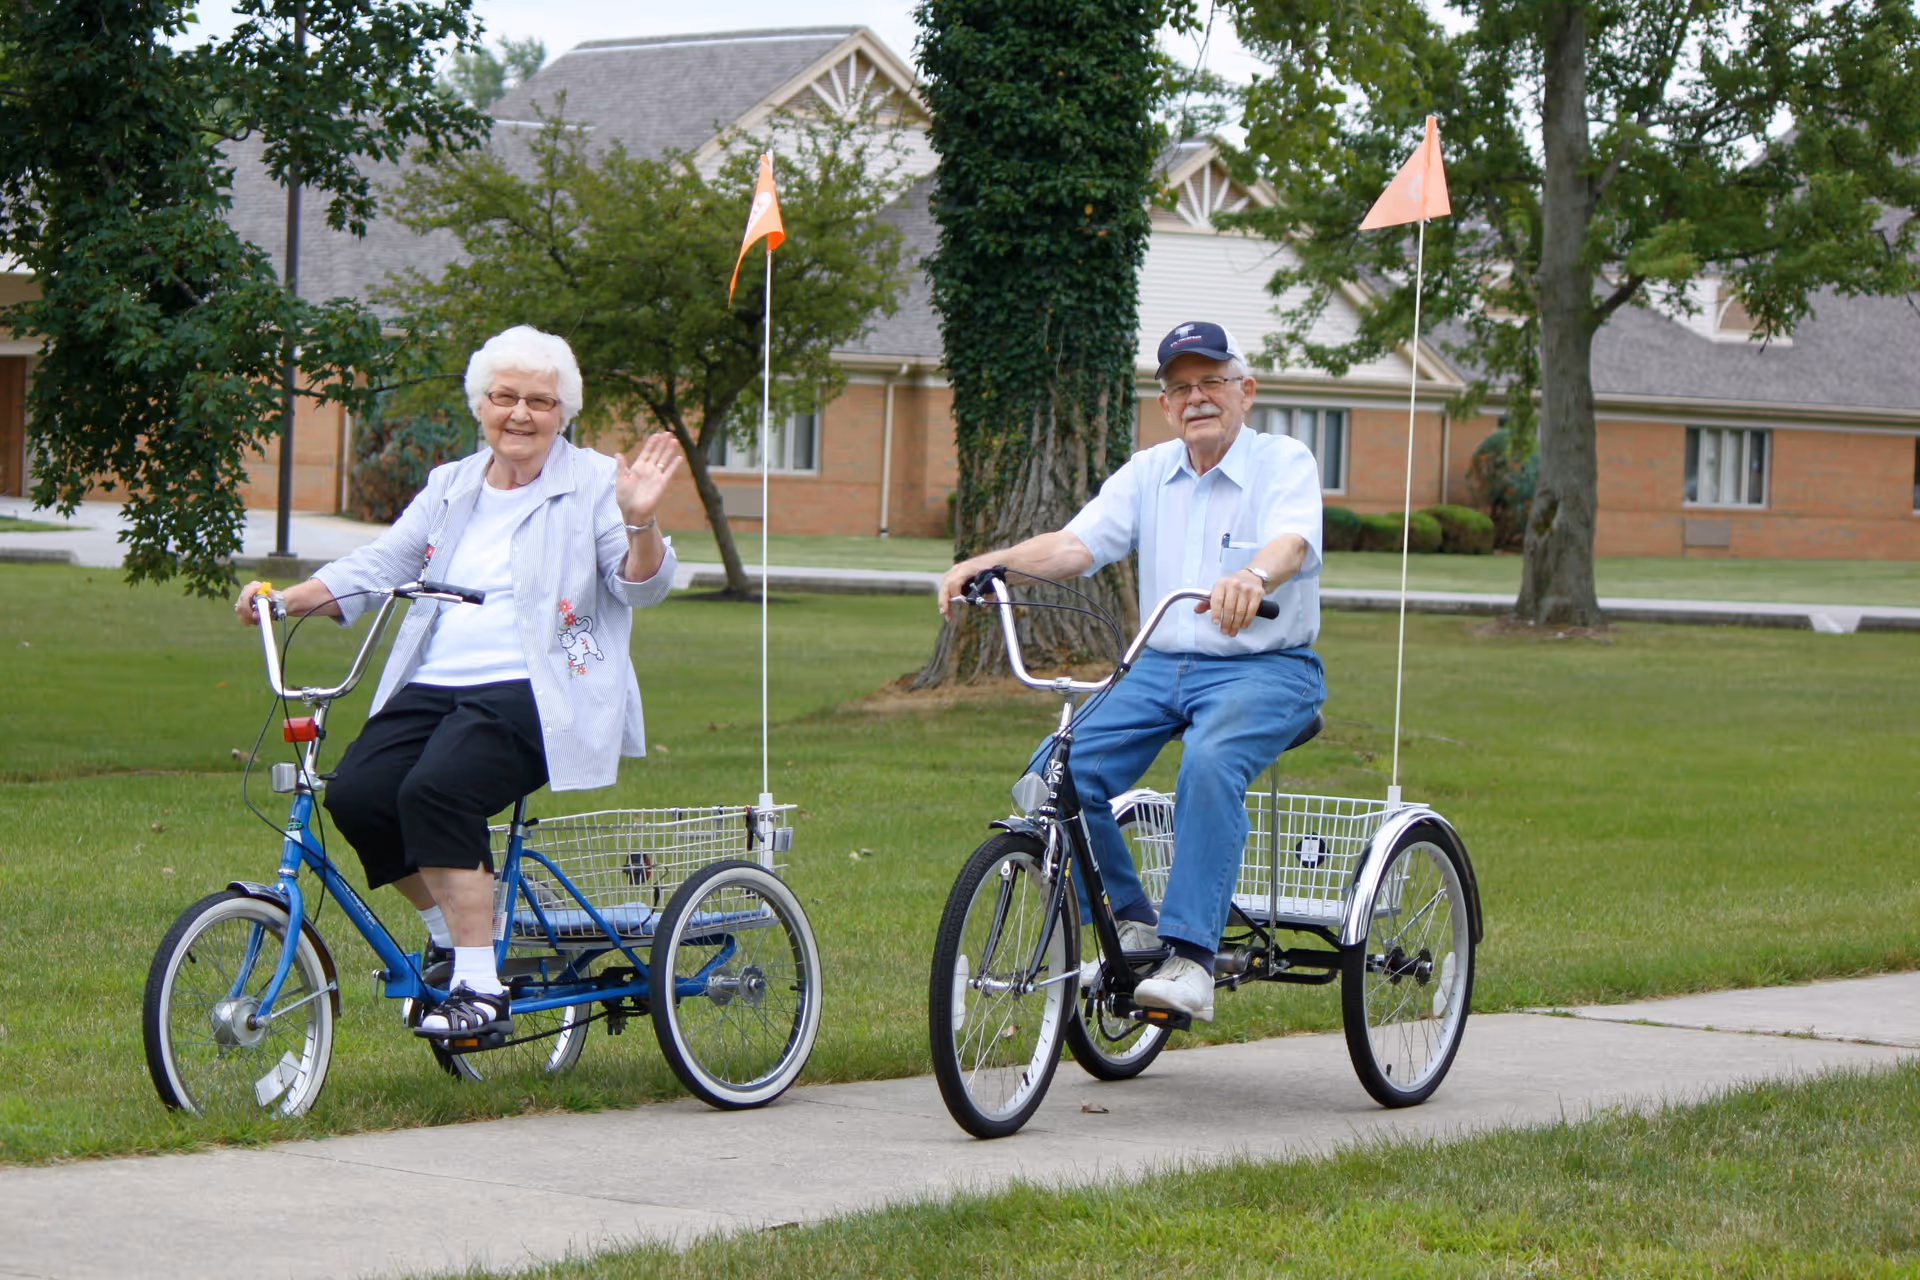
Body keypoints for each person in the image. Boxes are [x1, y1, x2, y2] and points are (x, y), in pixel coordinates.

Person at [236, 325, 681, 1042]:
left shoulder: (597, 481)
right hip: (437, 682)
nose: (521, 414)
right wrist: (287, 599)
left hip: (537, 690)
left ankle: (480, 985)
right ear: (481, 404)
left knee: (436, 790)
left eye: (541, 400)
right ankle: (454, 931)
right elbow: (382, 564)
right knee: (358, 795)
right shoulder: (451, 486)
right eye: (506, 397)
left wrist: (641, 521)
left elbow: (642, 585)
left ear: (563, 411)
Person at [938, 321, 1326, 1022]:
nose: (1197, 398)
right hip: (1160, 666)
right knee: (1053, 774)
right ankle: (1130, 923)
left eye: (1211, 381)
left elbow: (1291, 542)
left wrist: (1251, 575)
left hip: (1265, 668)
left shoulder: (1283, 460)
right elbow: (1073, 545)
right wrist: (986, 566)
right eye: (1180, 388)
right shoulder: (1150, 472)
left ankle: (1190, 958)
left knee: (1208, 765)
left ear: (1247, 390)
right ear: (1166, 405)